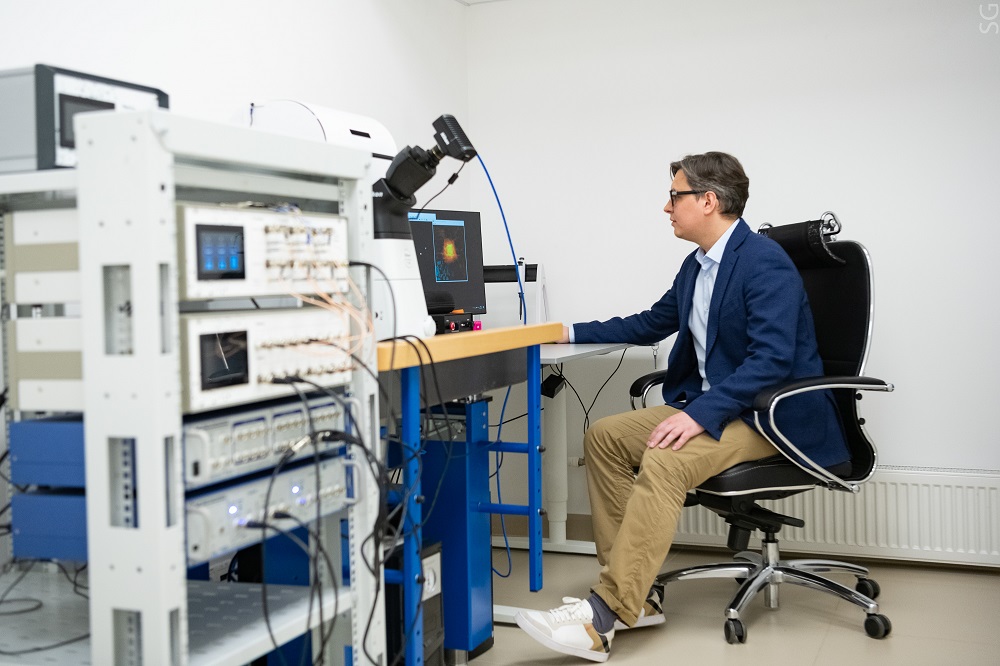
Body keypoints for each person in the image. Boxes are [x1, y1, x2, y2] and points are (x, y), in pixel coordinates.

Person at [514, 151, 849, 662]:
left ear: (708, 200)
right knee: (605, 437)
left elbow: (772, 361)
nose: (666, 206)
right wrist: (569, 331)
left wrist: (697, 415)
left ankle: (604, 616)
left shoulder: (764, 263)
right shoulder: (697, 266)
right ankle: (638, 597)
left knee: (666, 458)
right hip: (719, 405)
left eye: (675, 196)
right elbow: (652, 322)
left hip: (768, 416)